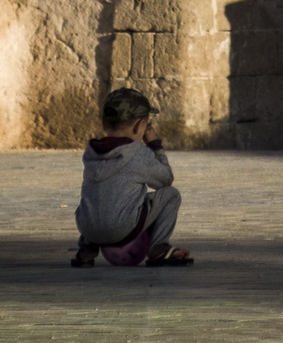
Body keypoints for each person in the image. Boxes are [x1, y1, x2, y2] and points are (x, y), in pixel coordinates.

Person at [71, 86, 193, 267]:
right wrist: (154, 146)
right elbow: (165, 180)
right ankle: (158, 249)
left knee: (99, 198)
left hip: (87, 228)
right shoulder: (137, 153)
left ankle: (87, 251)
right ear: (139, 126)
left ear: (104, 124)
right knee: (171, 194)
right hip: (123, 229)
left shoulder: (91, 152)